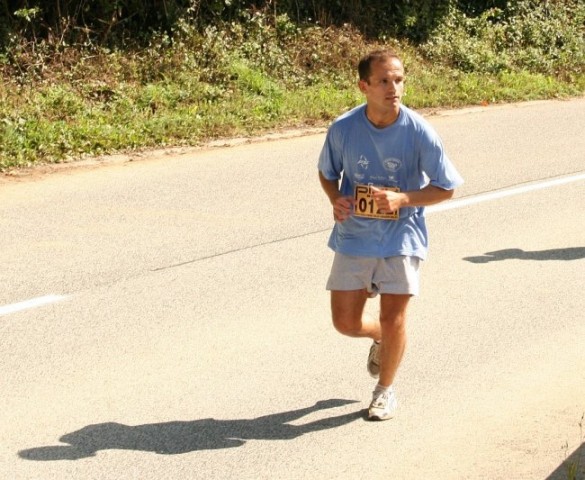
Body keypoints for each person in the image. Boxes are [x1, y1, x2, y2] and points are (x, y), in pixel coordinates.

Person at [317, 49, 464, 421]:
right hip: (355, 235)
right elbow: (327, 172)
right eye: (383, 80)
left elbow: (446, 187)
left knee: (394, 316)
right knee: (344, 323)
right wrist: (336, 199)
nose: (393, 88)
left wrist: (404, 198)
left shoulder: (419, 132)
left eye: (398, 80)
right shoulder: (344, 129)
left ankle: (385, 390)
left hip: (402, 235)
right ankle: (378, 339)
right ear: (364, 85)